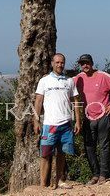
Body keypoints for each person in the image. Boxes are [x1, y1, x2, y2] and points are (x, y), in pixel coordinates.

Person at [33, 53, 82, 189]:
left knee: (62, 154)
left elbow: (76, 101)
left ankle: (60, 181)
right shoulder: (44, 81)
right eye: (57, 62)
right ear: (52, 63)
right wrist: (36, 121)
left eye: (62, 62)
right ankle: (43, 185)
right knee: (45, 155)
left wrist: (78, 121)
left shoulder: (69, 81)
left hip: (66, 124)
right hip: (49, 124)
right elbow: (38, 101)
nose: (60, 65)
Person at [74, 54, 110, 185]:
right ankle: (95, 174)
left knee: (103, 146)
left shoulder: (103, 76)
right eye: (82, 63)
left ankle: (103, 175)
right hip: (88, 118)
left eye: (87, 63)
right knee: (89, 147)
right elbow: (64, 84)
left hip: (103, 117)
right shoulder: (79, 78)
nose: (85, 65)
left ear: (92, 63)